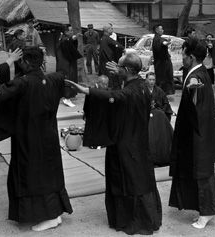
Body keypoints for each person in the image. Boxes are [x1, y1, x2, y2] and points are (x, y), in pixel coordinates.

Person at [66, 53, 162, 235]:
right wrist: (117, 74)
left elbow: (116, 97)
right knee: (140, 178)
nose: (116, 69)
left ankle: (133, 220)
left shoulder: (131, 91)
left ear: (127, 70)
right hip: (138, 141)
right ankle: (146, 217)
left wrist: (87, 91)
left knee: (128, 180)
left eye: (120, 67)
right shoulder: (141, 85)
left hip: (126, 144)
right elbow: (121, 96)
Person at [0, 47, 73, 231]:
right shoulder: (52, 79)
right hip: (49, 136)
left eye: (20, 61)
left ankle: (50, 217)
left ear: (26, 62)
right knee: (49, 173)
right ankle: (55, 213)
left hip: (29, 138)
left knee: (34, 176)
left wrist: (6, 63)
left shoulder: (23, 83)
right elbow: (64, 78)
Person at [169, 39, 215, 229]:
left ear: (190, 56)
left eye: (183, 54)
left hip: (199, 133)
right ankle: (202, 208)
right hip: (194, 132)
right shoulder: (197, 73)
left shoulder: (196, 77)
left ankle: (207, 211)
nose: (181, 57)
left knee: (201, 172)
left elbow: (198, 100)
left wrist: (194, 90)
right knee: (195, 170)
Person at [145, 72, 173, 167]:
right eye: (150, 79)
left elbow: (166, 104)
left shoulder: (159, 91)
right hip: (146, 116)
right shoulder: (142, 90)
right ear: (146, 80)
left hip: (159, 116)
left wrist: (160, 111)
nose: (152, 82)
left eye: (153, 80)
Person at [55, 24, 83, 107]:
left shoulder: (63, 38)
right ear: (65, 32)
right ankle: (67, 98)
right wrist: (73, 38)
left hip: (66, 61)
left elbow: (69, 42)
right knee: (68, 78)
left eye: (72, 30)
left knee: (68, 78)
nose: (72, 32)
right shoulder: (63, 39)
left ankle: (66, 95)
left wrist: (73, 38)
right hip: (65, 63)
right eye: (70, 30)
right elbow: (66, 42)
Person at [99, 25, 124, 90]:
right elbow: (119, 47)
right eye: (111, 28)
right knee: (111, 82)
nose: (112, 30)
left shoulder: (103, 38)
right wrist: (123, 50)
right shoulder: (107, 39)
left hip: (104, 63)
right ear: (107, 30)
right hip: (109, 63)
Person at [152, 24, 175, 95]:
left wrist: (167, 42)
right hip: (162, 64)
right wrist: (167, 42)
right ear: (156, 30)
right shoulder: (157, 39)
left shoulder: (158, 38)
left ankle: (163, 93)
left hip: (162, 63)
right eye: (161, 29)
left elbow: (164, 43)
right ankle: (161, 94)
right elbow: (163, 43)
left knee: (163, 79)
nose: (163, 30)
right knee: (162, 79)